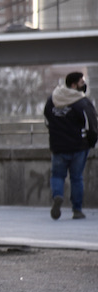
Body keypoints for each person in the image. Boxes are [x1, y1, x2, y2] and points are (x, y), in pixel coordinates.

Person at [44, 71, 97, 220]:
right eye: (81, 82)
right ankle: (77, 210)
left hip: (58, 147)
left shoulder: (52, 100)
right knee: (76, 178)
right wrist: (91, 142)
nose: (84, 85)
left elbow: (47, 121)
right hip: (78, 147)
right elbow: (92, 125)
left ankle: (57, 196)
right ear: (74, 85)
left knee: (57, 175)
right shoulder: (82, 102)